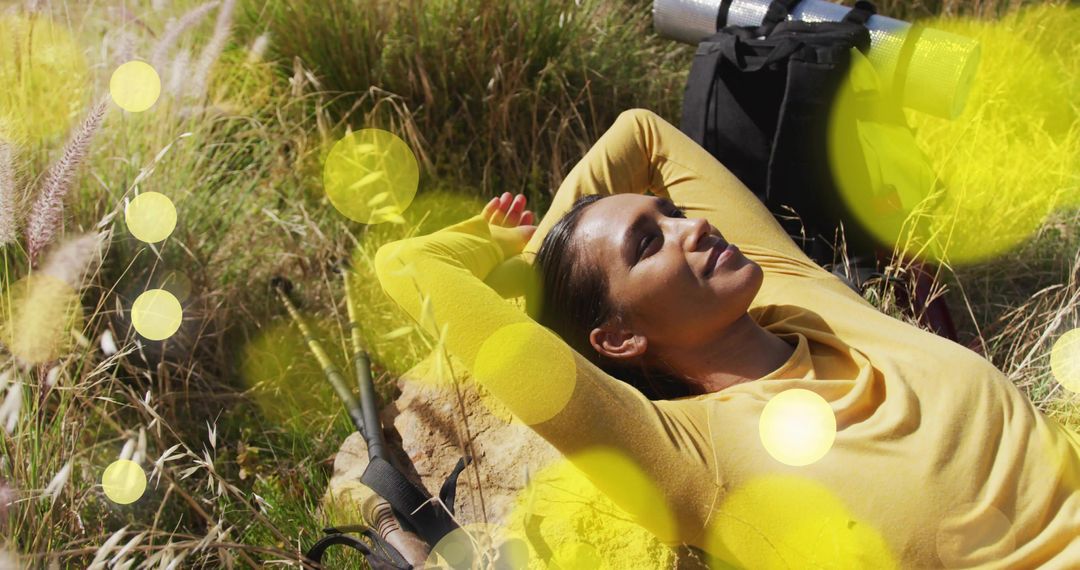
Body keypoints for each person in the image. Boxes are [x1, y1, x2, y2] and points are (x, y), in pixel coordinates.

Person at [374, 109, 1080, 568]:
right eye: (650, 243)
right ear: (617, 338)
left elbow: (641, 135)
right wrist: (502, 249)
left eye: (673, 213)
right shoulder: (686, 458)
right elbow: (405, 265)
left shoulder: (805, 302)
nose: (695, 227)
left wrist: (543, 260)